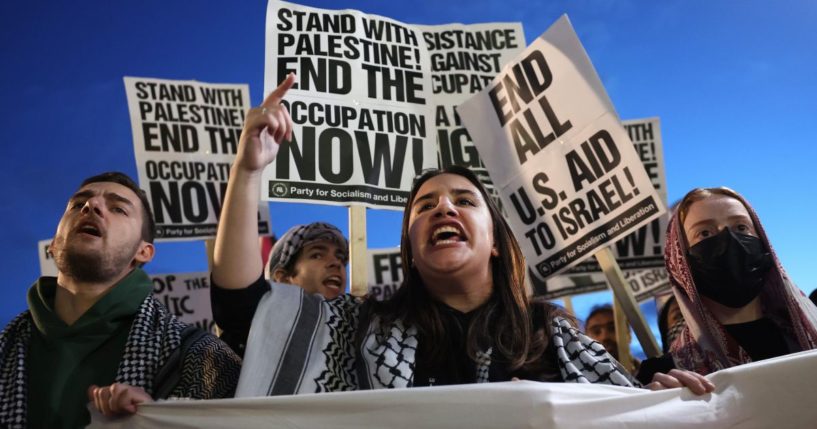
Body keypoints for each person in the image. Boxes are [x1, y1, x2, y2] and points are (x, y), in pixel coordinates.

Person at [211, 74, 712, 396]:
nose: (443, 207)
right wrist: (247, 170)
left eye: (464, 201)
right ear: (410, 246)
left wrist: (661, 397)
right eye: (425, 205)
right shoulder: (361, 326)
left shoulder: (553, 335)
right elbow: (244, 310)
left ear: (495, 239)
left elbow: (627, 405)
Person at [0, 172, 241, 428]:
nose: (90, 206)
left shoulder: (201, 358)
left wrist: (161, 421)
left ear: (143, 251)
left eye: (118, 209)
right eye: (76, 204)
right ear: (54, 243)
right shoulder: (6, 348)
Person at [663, 187, 817, 375]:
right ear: (680, 259)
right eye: (704, 233)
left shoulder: (806, 334)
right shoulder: (671, 372)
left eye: (741, 227)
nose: (730, 240)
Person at [213, 221, 348, 356]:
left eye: (340, 258)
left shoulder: (355, 337)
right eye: (317, 255)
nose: (336, 263)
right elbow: (236, 297)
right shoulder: (256, 326)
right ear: (283, 278)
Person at [584, 304, 640, 370]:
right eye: (596, 331)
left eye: (613, 328)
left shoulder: (651, 373)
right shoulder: (580, 379)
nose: (604, 337)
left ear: (629, 335)